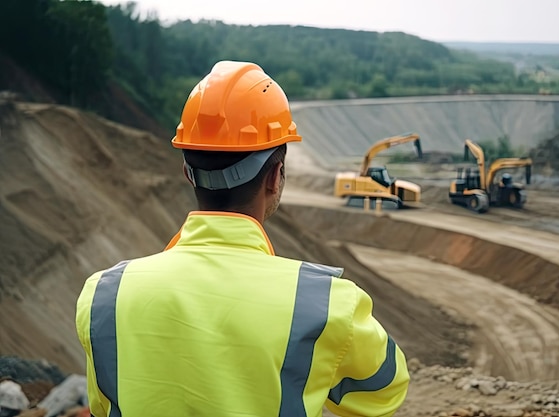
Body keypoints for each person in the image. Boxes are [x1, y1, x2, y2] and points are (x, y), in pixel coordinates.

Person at [75, 60, 409, 417]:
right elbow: (384, 393)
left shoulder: (102, 296)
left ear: (188, 173)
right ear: (275, 175)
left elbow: (102, 405)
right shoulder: (327, 305)